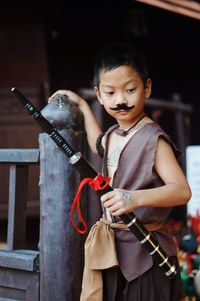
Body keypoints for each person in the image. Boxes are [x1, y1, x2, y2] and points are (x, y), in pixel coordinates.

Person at [49, 43, 191, 301]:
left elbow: (181, 191)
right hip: (113, 249)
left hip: (147, 253)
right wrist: (81, 105)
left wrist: (133, 198)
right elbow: (98, 144)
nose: (121, 100)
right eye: (110, 92)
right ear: (99, 95)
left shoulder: (153, 139)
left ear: (147, 88)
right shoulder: (115, 134)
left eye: (130, 90)